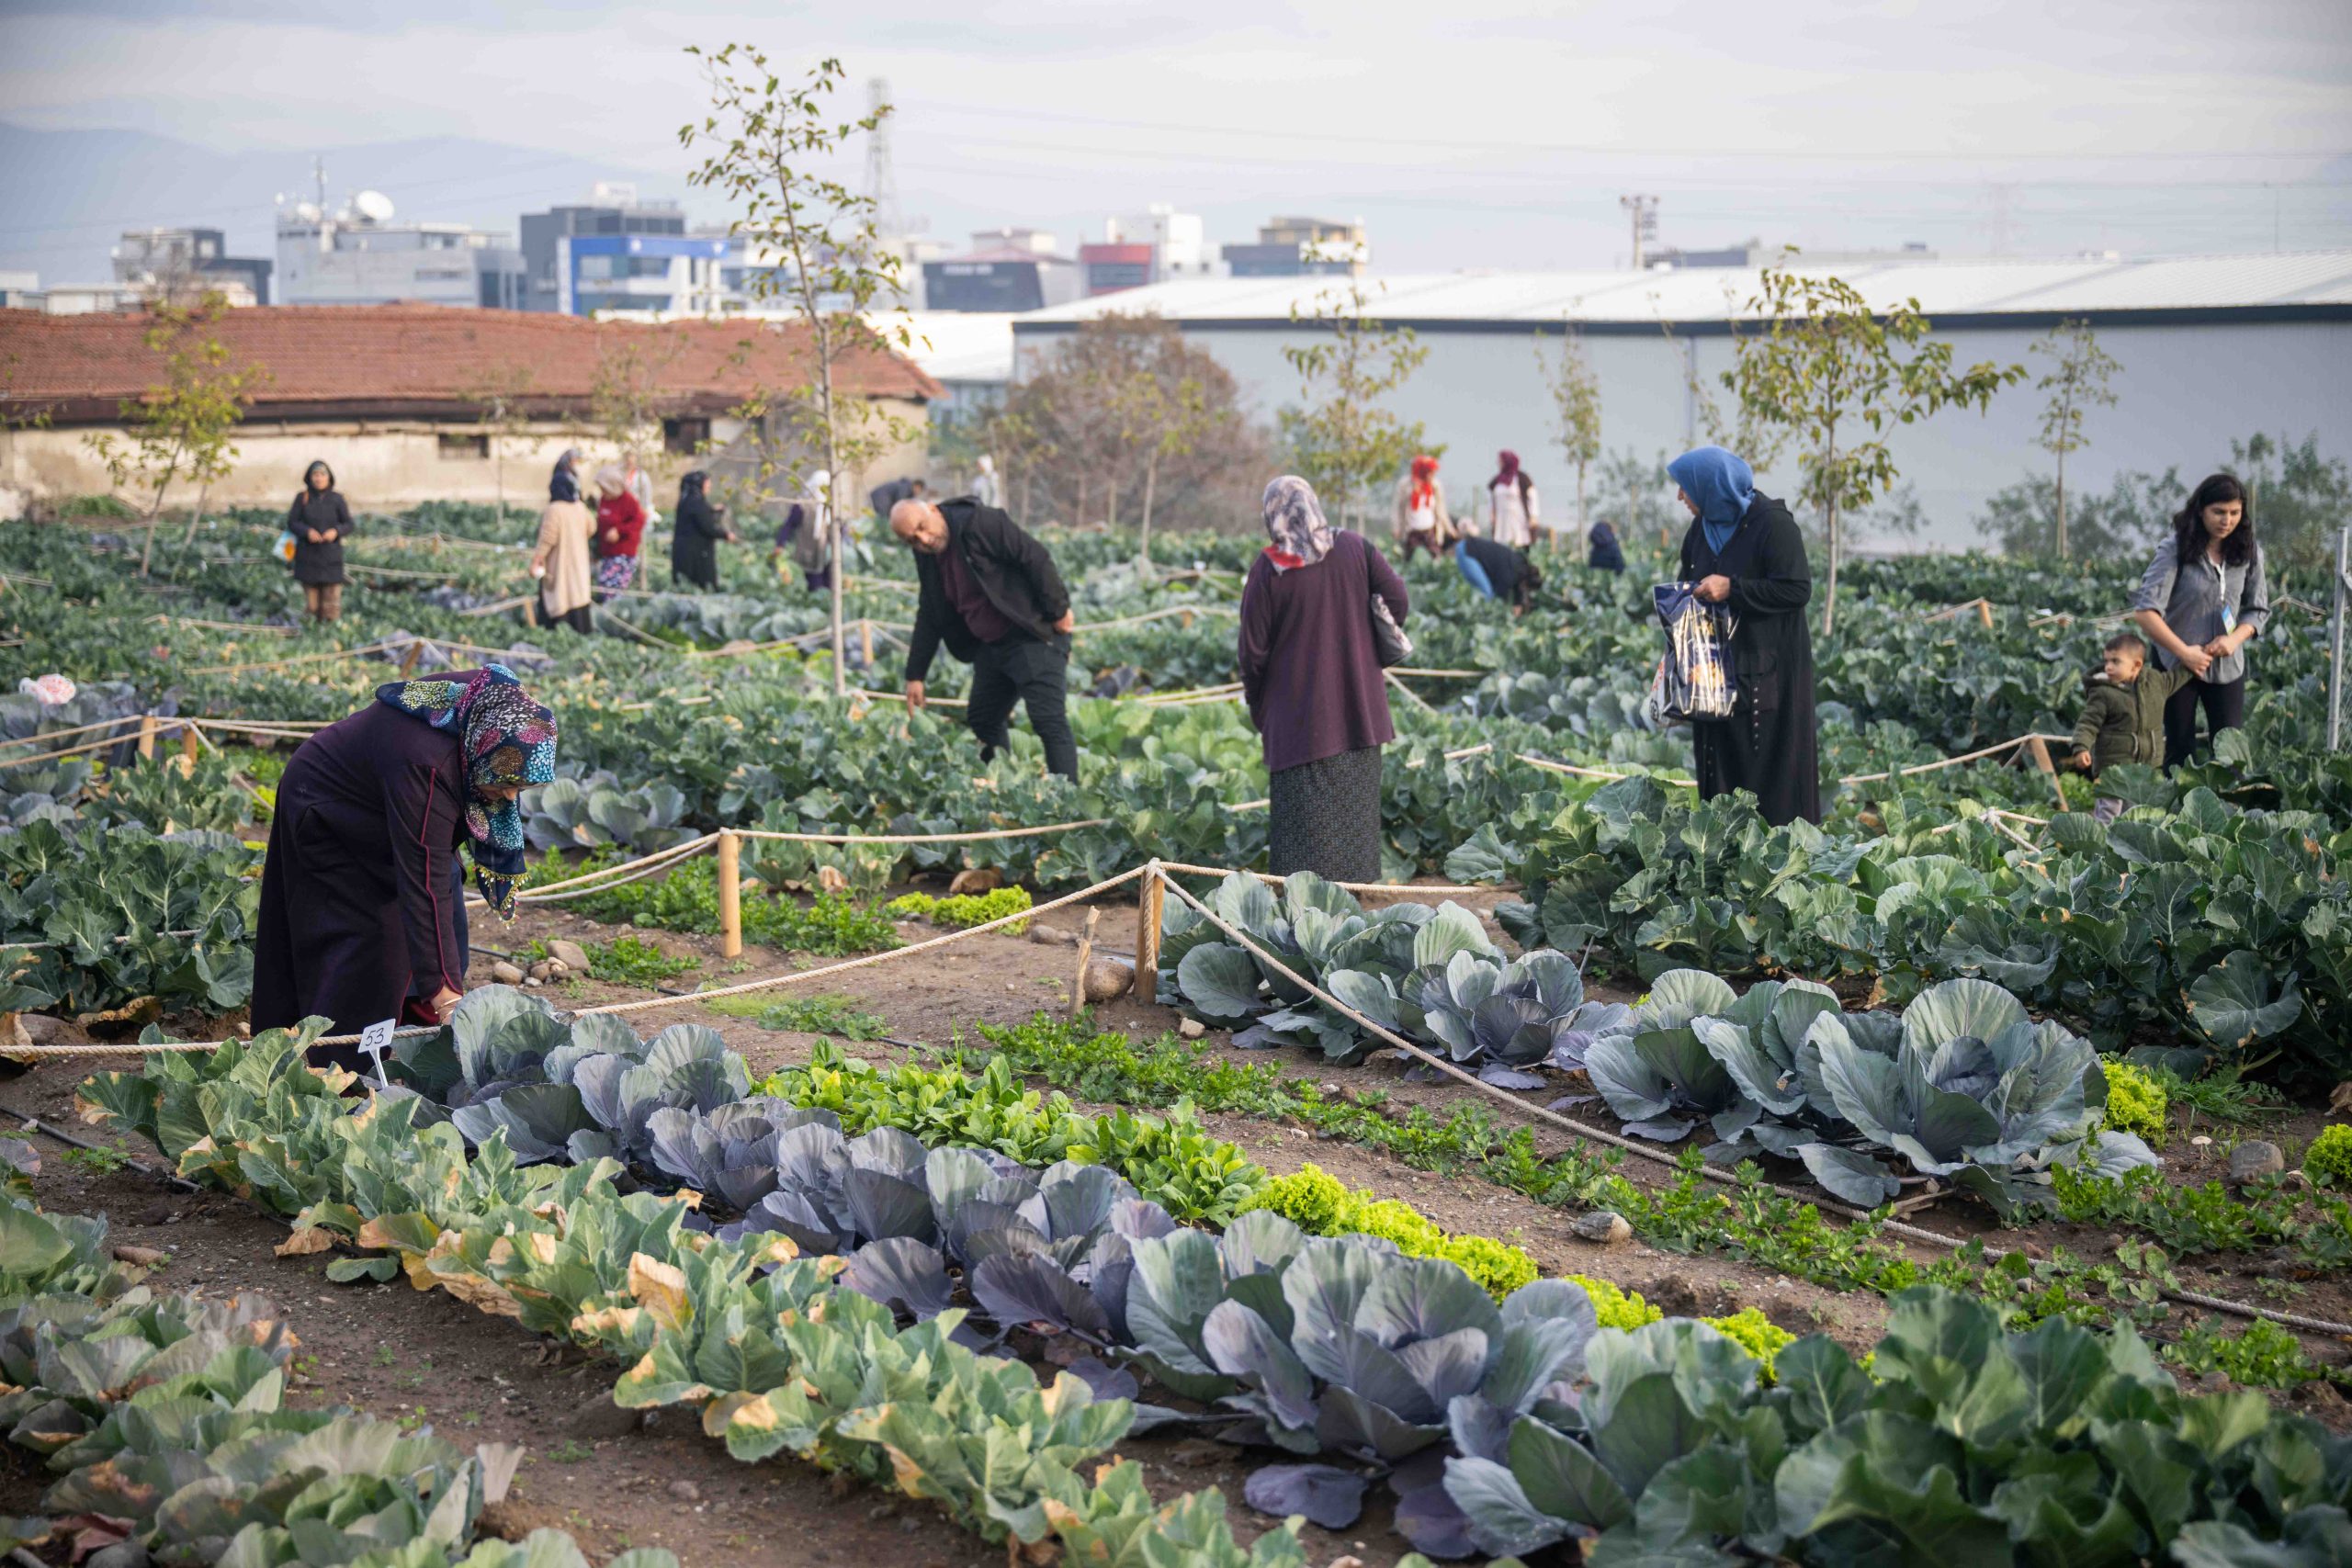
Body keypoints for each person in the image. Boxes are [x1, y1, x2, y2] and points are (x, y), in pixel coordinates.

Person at [251, 665, 556, 1069]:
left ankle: (416, 1032)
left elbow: (434, 875)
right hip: (330, 804)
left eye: (521, 785)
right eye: (504, 781)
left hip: (387, 794)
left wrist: (447, 989)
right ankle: (339, 1068)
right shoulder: (428, 762)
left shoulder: (498, 713)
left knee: (448, 909)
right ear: (482, 750)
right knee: (370, 935)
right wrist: (448, 998)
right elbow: (422, 882)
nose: (510, 794)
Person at [1238, 476, 1409, 884]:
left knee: (1303, 849)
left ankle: (1306, 920)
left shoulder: (1271, 570)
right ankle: (1351, 908)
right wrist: (1365, 646)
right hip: (1359, 713)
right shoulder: (1356, 548)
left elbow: (1252, 652)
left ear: (1273, 515)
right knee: (1353, 828)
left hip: (1299, 726)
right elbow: (1398, 599)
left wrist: (1258, 704)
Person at [1669, 445, 1819, 827]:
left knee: (1770, 777)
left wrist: (1732, 589)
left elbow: (1796, 589)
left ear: (1710, 487)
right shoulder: (1700, 531)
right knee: (1719, 770)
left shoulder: (1773, 525)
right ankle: (1724, 866)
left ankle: (1777, 866)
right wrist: (1674, 656)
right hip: (1714, 674)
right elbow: (1690, 588)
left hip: (1769, 674)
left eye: (1686, 487)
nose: (1680, 496)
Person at [896, 491, 1078, 780]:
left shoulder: (980, 523)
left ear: (932, 508)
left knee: (1048, 721)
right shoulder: (927, 556)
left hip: (1030, 634)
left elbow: (1034, 557)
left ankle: (1069, 808)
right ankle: (1001, 786)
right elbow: (930, 610)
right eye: (912, 540)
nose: (924, 540)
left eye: (921, 528)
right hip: (991, 646)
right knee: (983, 717)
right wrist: (915, 673)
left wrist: (1058, 610)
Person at [2131, 472, 2269, 767]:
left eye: (2234, 513)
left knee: (2232, 753)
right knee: (2179, 750)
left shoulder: (2248, 551)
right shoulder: (2175, 549)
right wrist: (2185, 653)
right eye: (2218, 512)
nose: (2226, 520)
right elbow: (2146, 612)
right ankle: (2182, 812)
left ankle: (2229, 809)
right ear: (2200, 510)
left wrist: (2234, 640)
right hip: (2176, 664)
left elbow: (2258, 609)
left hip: (2227, 665)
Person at [2071, 631, 2196, 825]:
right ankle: (2098, 851)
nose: (2109, 667)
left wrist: (2196, 661)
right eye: (2106, 661)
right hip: (2113, 769)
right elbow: (2087, 722)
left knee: (2134, 815)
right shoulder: (2103, 692)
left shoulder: (2154, 683)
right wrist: (2081, 747)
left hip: (2145, 768)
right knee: (2108, 814)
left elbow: (2175, 677)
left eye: (2115, 661)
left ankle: (2123, 851)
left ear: (2136, 665)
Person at [287, 459, 354, 624]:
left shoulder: (337, 499)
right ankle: (312, 637)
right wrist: (307, 531)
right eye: (315, 475)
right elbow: (292, 522)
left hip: (331, 558)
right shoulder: (302, 498)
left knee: (331, 606)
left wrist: (336, 531)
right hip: (308, 558)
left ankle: (330, 638)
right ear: (309, 478)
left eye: (322, 475)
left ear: (329, 478)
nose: (318, 478)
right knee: (312, 606)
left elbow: (349, 524)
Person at [530, 491, 595, 634]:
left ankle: (558, 634)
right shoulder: (580, 507)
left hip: (559, 562)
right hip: (578, 562)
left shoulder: (554, 509)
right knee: (577, 596)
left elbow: (548, 538)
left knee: (561, 597)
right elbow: (592, 527)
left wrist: (537, 560)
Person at [669, 470, 734, 591]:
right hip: (695, 554)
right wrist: (725, 535)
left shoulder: (688, 500)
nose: (709, 486)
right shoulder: (695, 502)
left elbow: (700, 516)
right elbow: (707, 527)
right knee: (698, 587)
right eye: (707, 484)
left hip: (687, 551)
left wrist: (712, 510)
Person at [771, 469, 833, 592]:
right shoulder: (803, 505)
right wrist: (780, 544)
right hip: (807, 553)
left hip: (825, 556)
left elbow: (836, 528)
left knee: (827, 587)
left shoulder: (830, 506)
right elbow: (788, 525)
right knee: (812, 586)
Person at [592, 464, 647, 598]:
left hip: (623, 553)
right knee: (604, 585)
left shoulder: (628, 500)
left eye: (604, 488)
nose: (602, 491)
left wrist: (619, 531)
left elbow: (639, 520)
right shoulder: (604, 500)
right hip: (607, 552)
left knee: (611, 587)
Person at [1453, 533, 1544, 615]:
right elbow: (1500, 597)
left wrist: (1518, 608)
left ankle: (1468, 611)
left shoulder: (1522, 566)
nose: (1526, 592)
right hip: (1468, 551)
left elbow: (1518, 595)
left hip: (1471, 547)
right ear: (1525, 583)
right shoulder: (1509, 576)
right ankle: (1476, 618)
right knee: (1488, 595)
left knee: (1482, 591)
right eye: (1528, 590)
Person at [1392, 454, 1452, 559]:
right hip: (1411, 532)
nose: (1432, 475)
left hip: (1430, 532)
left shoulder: (1435, 486)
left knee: (1435, 559)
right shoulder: (1406, 485)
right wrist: (1397, 528)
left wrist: (1450, 529)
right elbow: (1398, 508)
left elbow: (1441, 510)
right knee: (1411, 561)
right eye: (1430, 472)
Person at [1487, 450, 1539, 549]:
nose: (1498, 463)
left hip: (1518, 517)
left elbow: (1533, 497)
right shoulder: (1496, 481)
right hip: (1502, 518)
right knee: (1502, 542)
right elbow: (1491, 498)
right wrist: (1492, 514)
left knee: (1519, 540)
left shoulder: (1523, 478)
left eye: (1501, 461)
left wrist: (1534, 516)